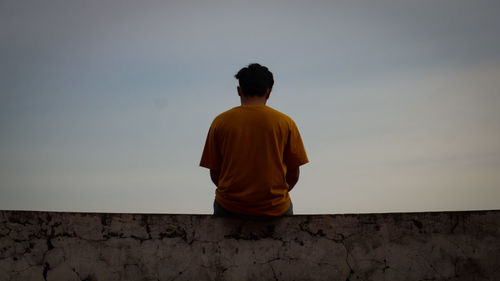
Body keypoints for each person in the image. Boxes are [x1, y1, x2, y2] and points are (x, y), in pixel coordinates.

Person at [200, 63, 308, 217]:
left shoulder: (220, 122)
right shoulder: (285, 123)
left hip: (229, 207)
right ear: (268, 92)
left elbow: (214, 172)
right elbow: (294, 173)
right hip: (275, 208)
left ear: (239, 91)